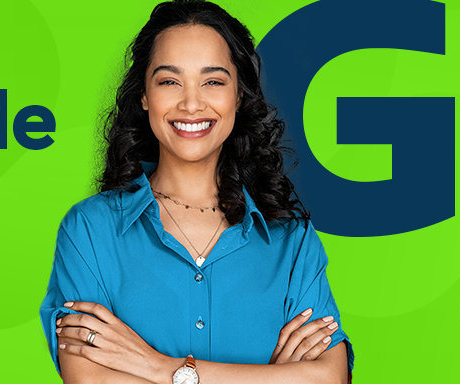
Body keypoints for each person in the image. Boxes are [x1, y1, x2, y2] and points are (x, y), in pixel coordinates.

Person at [39, 1, 353, 383]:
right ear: (144, 96)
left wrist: (157, 366)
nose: (191, 104)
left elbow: (329, 377)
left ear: (238, 96)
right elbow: (92, 379)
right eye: (170, 81)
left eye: (213, 81)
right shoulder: (90, 231)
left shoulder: (293, 242)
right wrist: (273, 377)